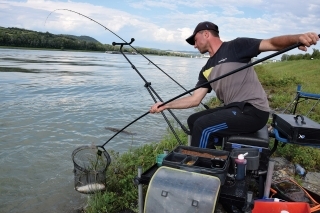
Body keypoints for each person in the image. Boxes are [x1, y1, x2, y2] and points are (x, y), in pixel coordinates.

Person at [150, 21, 319, 148]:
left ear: (206, 34)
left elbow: (272, 43)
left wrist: (297, 38)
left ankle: (200, 171)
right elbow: (194, 99)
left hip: (253, 110)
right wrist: (166, 105)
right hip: (234, 109)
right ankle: (213, 158)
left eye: (195, 40)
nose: (194, 45)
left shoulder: (236, 46)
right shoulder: (206, 69)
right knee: (194, 120)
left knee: (203, 126)